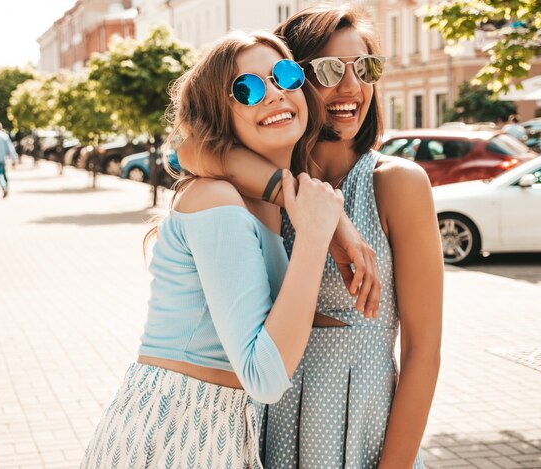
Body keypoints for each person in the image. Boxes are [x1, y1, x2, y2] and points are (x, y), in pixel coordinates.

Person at [179, 4, 443, 468]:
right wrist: (326, 217)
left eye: (366, 68)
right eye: (327, 70)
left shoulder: (397, 183)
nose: (351, 86)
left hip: (362, 429)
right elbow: (190, 149)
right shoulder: (262, 186)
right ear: (290, 81)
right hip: (267, 423)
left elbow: (424, 350)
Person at [80, 31, 345, 468]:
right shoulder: (216, 200)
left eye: (284, 76)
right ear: (219, 113)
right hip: (175, 429)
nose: (274, 94)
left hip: (219, 427)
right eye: (248, 89)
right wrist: (317, 239)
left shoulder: (269, 205)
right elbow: (263, 376)